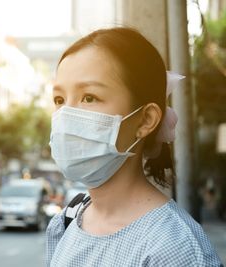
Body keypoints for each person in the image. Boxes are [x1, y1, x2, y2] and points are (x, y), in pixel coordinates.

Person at [46, 27, 223, 266]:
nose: (66, 115)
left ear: (146, 120)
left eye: (89, 97)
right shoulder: (67, 221)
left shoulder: (175, 249)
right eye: (59, 100)